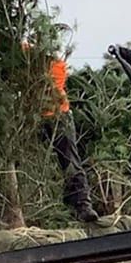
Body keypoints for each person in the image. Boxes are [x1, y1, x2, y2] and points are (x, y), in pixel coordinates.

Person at [41, 52, 98, 223]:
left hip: (58, 115)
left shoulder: (42, 56)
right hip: (31, 116)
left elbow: (55, 77)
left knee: (70, 161)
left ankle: (83, 206)